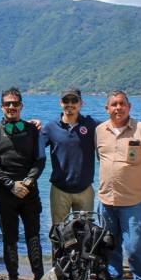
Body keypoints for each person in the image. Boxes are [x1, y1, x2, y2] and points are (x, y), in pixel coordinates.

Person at [95, 90, 141, 280]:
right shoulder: (99, 131)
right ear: (107, 108)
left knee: (136, 246)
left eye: (122, 104)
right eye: (113, 104)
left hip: (133, 201)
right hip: (106, 200)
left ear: (129, 107)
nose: (118, 108)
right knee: (110, 245)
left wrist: (138, 179)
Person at [0, 88, 45, 280]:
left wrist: (28, 181)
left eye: (15, 103)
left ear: (21, 106)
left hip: (30, 191)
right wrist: (11, 184)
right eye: (7, 104)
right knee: (9, 238)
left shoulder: (33, 129)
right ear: (2, 107)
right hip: (6, 192)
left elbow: (40, 159)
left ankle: (39, 279)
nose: (11, 107)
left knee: (33, 236)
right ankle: (13, 279)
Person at [40, 88, 98, 229]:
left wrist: (137, 126)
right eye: (66, 100)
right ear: (61, 103)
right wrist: (30, 125)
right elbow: (33, 147)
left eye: (74, 100)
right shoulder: (50, 127)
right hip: (60, 190)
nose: (70, 104)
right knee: (59, 232)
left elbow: (113, 128)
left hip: (85, 189)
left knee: (85, 233)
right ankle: (59, 252)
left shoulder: (91, 125)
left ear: (81, 103)